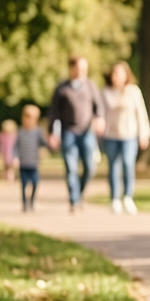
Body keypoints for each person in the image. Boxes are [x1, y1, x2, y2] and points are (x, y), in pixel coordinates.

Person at [47, 55, 105, 212]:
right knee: (71, 168)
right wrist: (52, 132)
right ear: (71, 69)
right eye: (79, 69)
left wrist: (99, 119)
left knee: (90, 167)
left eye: (84, 69)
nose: (81, 72)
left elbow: (98, 106)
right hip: (68, 132)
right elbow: (54, 112)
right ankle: (73, 200)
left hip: (86, 132)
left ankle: (78, 194)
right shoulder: (62, 88)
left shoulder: (91, 86)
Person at [101, 61, 150, 214]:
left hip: (129, 134)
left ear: (126, 75)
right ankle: (115, 198)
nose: (117, 77)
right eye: (115, 74)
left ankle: (128, 197)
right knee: (113, 167)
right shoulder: (105, 92)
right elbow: (101, 114)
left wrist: (144, 133)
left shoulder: (133, 91)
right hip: (110, 135)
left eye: (120, 74)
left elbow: (141, 112)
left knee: (128, 164)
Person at [16, 104, 49, 211]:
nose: (28, 120)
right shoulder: (20, 132)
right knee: (24, 185)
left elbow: (45, 144)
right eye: (26, 117)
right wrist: (15, 157)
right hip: (23, 164)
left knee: (35, 183)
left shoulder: (37, 132)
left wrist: (46, 149)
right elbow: (15, 147)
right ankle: (25, 204)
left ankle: (32, 200)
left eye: (31, 118)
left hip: (34, 164)